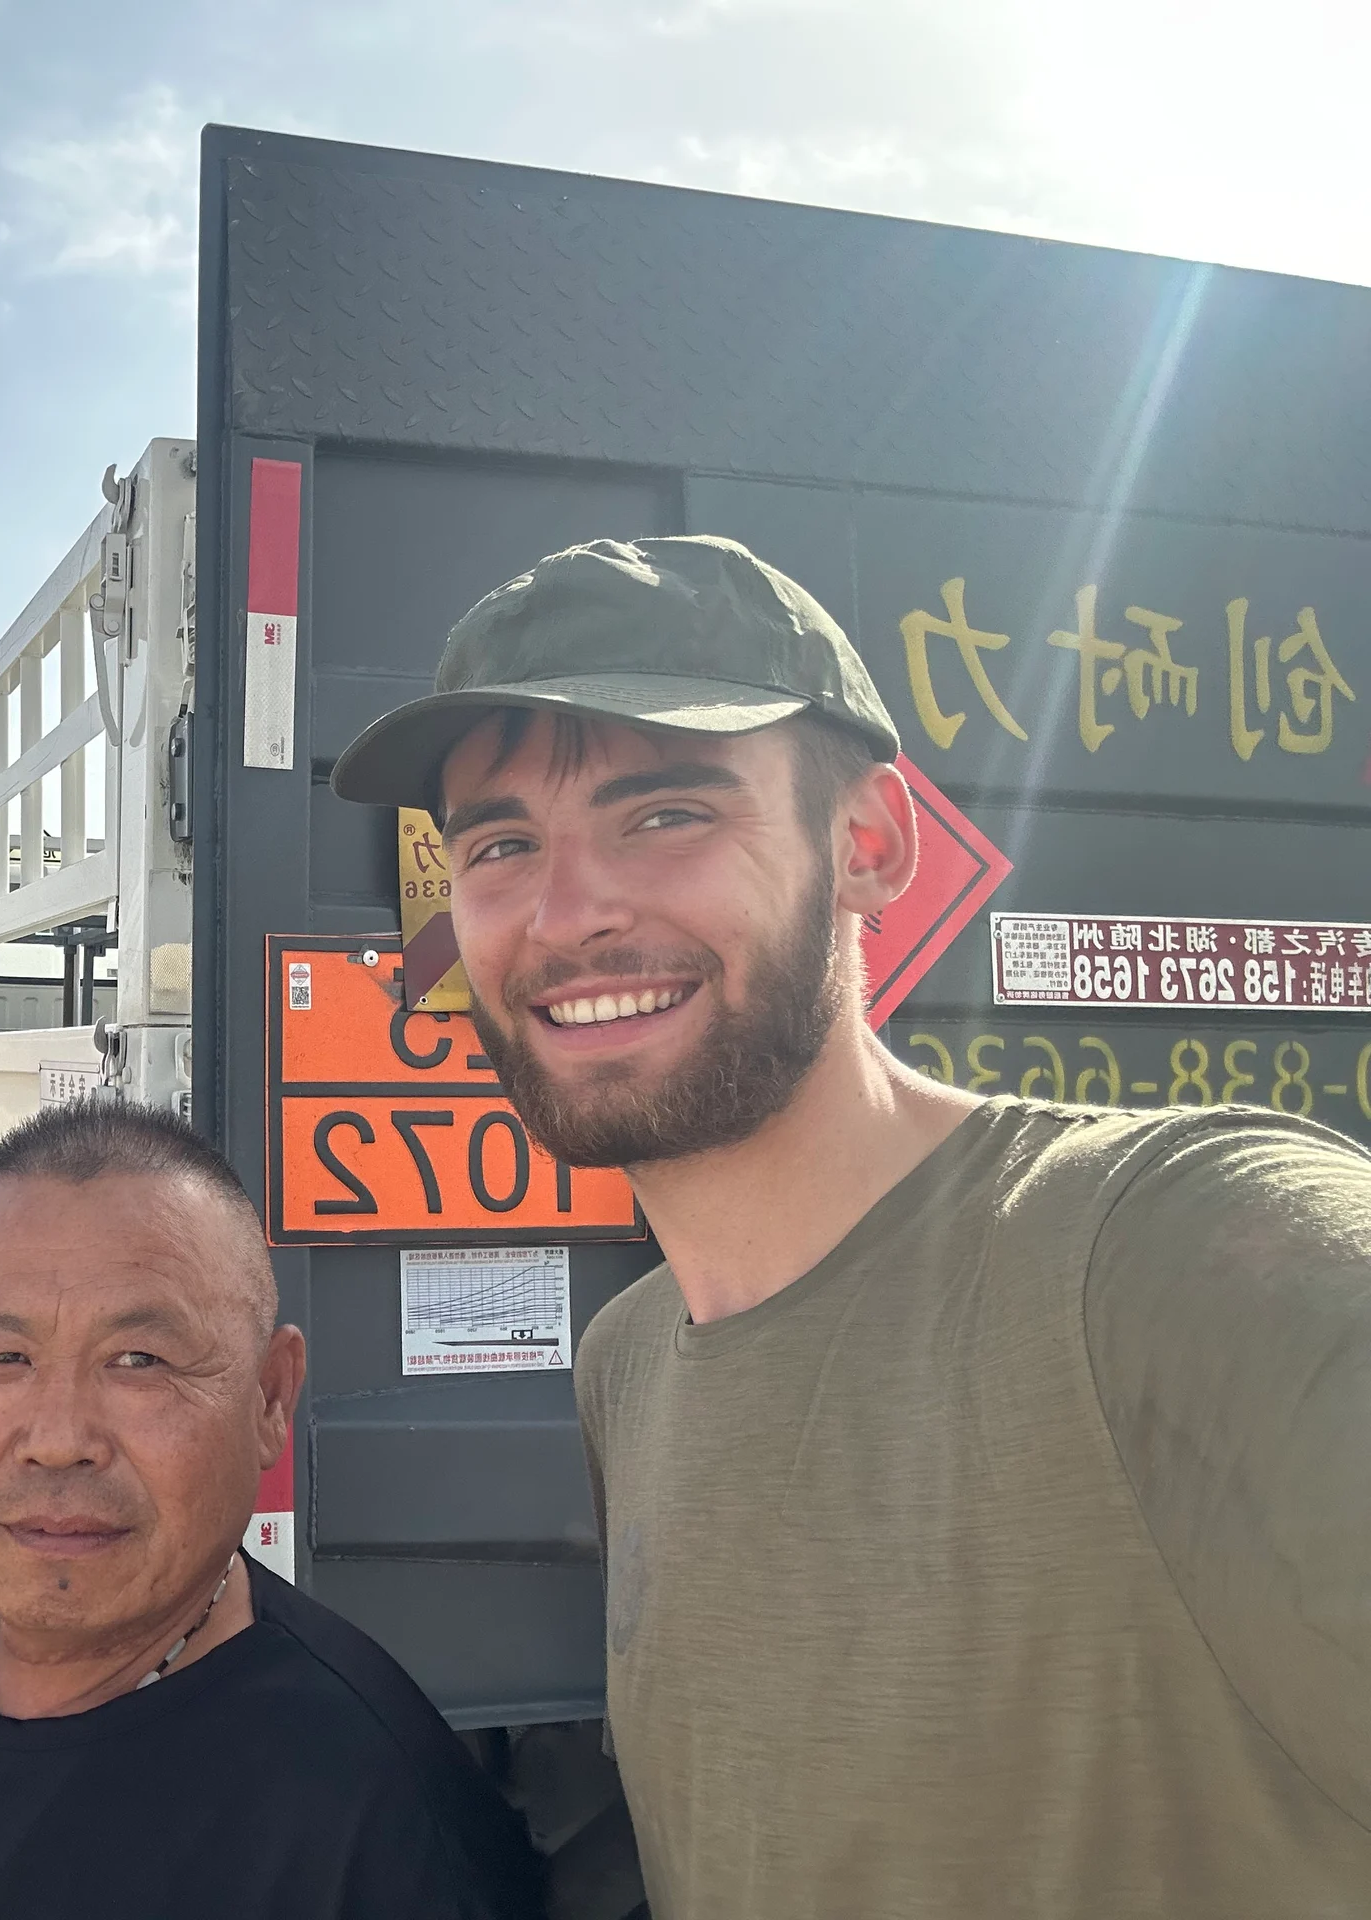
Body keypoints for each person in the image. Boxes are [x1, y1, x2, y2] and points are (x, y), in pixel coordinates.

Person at [329, 533, 1371, 1916]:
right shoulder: (629, 1364)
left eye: (665, 815)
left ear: (870, 846)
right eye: (501, 845)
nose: (565, 916)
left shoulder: (1179, 1259)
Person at [0, 1101, 544, 1920]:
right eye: (4, 1356)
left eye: (139, 1360)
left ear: (269, 1398)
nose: (59, 1440)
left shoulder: (381, 1828)